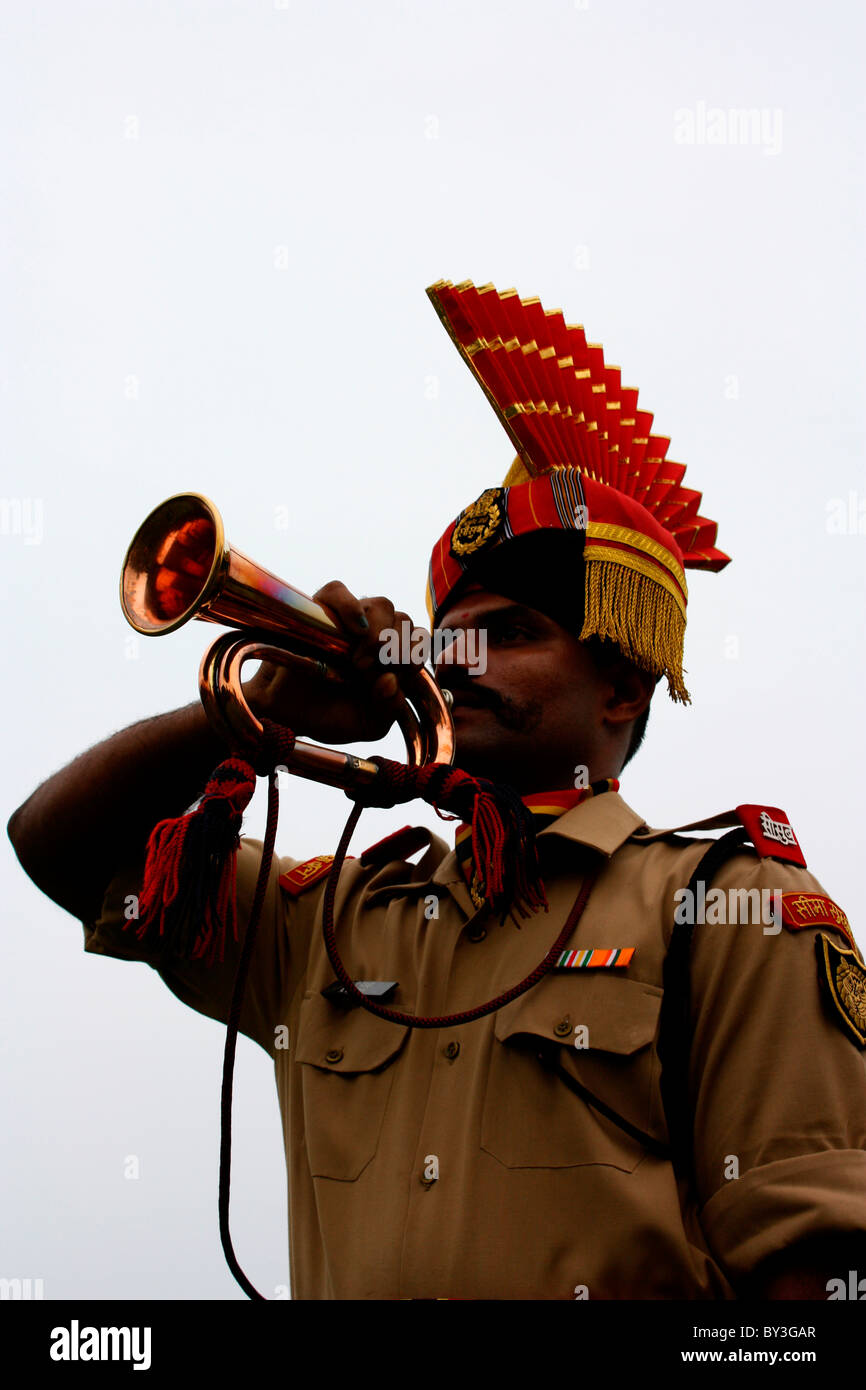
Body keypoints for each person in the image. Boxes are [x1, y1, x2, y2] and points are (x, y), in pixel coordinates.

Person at [9, 280, 866, 1300]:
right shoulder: (331, 921)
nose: (457, 663)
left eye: (510, 636)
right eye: (451, 635)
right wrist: (240, 713)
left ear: (622, 683)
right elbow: (56, 846)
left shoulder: (734, 908)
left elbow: (811, 1280)